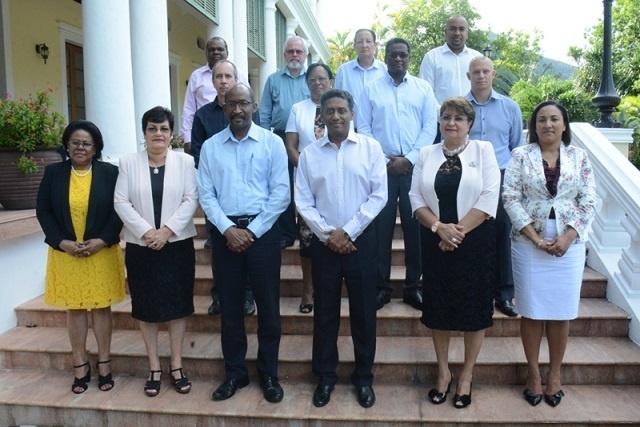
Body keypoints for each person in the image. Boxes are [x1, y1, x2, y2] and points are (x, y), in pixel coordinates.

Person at [296, 89, 388, 409]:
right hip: (325, 246)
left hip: (361, 243)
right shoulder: (309, 155)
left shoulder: (371, 148)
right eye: (330, 111)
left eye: (341, 110)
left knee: (364, 314)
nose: (336, 116)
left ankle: (363, 378)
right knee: (325, 314)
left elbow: (379, 195)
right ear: (321, 115)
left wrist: (348, 231)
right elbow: (303, 200)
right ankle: (325, 376)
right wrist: (328, 235)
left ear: (352, 113)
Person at [198, 84, 290, 403]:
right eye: (231, 104)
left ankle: (269, 374)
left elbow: (281, 193)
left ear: (254, 106)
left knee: (268, 308)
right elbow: (206, 194)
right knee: (230, 309)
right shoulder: (210, 147)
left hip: (262, 235)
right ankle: (235, 374)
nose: (237, 109)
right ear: (224, 108)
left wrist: (252, 231)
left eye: (243, 104)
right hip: (226, 236)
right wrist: (227, 229)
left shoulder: (272, 143)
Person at [503, 101, 597, 407]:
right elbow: (510, 198)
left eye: (554, 119)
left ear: (564, 124)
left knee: (560, 311)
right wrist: (535, 238)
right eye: (541, 119)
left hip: (569, 242)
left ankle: (554, 375)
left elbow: (588, 200)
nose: (548, 124)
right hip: (528, 241)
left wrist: (568, 236)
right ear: (534, 126)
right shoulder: (520, 155)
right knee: (531, 310)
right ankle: (533, 374)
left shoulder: (579, 156)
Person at [409, 97, 500, 409]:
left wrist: (456, 232)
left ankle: (466, 375)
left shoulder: (483, 151)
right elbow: (415, 197)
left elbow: (489, 196)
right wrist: (439, 228)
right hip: (435, 242)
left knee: (474, 310)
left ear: (470, 124)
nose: (451, 123)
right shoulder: (426, 153)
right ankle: (443, 372)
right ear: (439, 122)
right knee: (439, 310)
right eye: (446, 117)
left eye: (459, 118)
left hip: (475, 241)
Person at [114, 106, 199, 397]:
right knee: (145, 307)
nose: (158, 134)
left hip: (177, 246)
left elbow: (191, 199)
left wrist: (166, 231)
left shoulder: (185, 162)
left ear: (171, 133)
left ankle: (176, 365)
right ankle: (154, 367)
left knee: (177, 306)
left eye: (164, 129)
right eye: (152, 128)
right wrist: (148, 232)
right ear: (144, 133)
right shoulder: (128, 163)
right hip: (141, 247)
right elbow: (121, 201)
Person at [36, 121, 125, 394]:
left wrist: (103, 240)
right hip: (67, 253)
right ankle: (80, 365)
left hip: (101, 252)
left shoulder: (110, 173)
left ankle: (105, 364)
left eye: (87, 143)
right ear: (67, 145)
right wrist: (61, 242)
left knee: (101, 308)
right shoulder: (54, 173)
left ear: (96, 147)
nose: (80, 147)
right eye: (75, 142)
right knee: (74, 308)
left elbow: (120, 209)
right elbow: (43, 210)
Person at [357, 37, 439, 311]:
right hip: (382, 169)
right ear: (385, 57)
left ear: (409, 58)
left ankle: (412, 287)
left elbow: (430, 127)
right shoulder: (370, 89)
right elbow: (363, 127)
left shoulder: (423, 88)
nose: (398, 59)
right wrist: (385, 160)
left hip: (415, 169)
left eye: (403, 55)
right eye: (393, 54)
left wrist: (410, 159)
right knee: (381, 230)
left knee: (416, 229)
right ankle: (381, 288)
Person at [191, 59, 257, 317]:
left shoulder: (248, 111)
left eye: (228, 76)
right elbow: (198, 150)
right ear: (213, 81)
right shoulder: (203, 115)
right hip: (218, 195)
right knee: (220, 251)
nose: (223, 80)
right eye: (218, 76)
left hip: (247, 195)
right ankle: (220, 297)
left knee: (248, 252)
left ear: (235, 79)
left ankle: (247, 296)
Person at [465, 56, 523, 317]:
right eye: (476, 72)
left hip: (501, 176)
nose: (481, 76)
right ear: (468, 76)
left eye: (485, 71)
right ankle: (473, 291)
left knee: (502, 234)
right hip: (468, 177)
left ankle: (504, 294)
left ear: (493, 74)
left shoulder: (510, 107)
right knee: (471, 233)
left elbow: (516, 147)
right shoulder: (460, 106)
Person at [285, 63, 336, 314]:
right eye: (312, 79)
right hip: (305, 181)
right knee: (307, 239)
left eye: (322, 78)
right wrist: (307, 171)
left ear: (331, 81)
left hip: (335, 181)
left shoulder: (339, 107)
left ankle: (329, 288)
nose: (318, 83)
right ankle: (308, 289)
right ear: (307, 84)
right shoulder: (298, 109)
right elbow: (291, 146)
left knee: (332, 233)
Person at [260, 36, 311, 249]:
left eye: (299, 51)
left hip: (308, 137)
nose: (294, 55)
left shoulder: (313, 78)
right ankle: (288, 232)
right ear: (284, 55)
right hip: (280, 137)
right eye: (291, 51)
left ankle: (309, 227)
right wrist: (264, 140)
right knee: (283, 184)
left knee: (308, 182)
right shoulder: (273, 80)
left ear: (305, 55)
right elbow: (264, 111)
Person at [182, 37, 249, 153]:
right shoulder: (196, 76)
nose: (216, 52)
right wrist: (187, 139)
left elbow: (247, 101)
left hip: (235, 126)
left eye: (220, 49)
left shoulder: (238, 74)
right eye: (212, 50)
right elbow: (189, 109)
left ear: (227, 52)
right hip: (205, 128)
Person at [419, 15, 482, 105]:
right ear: (445, 32)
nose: (457, 33)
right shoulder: (431, 57)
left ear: (467, 33)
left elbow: (484, 89)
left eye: (461, 29)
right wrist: (441, 112)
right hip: (441, 113)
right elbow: (425, 92)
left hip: (474, 113)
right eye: (452, 29)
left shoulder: (477, 57)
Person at [334, 28, 387, 130]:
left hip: (379, 130)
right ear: (355, 46)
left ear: (375, 45)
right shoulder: (343, 71)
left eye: (368, 41)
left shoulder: (385, 70)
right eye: (360, 42)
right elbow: (336, 100)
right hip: (351, 130)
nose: (364, 45)